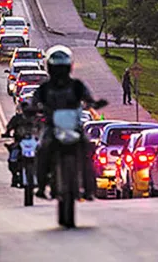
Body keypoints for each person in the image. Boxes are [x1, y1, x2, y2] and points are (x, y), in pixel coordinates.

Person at [32, 46, 105, 201]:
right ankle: (41, 185)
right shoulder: (45, 87)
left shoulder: (77, 86)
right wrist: (32, 109)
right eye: (56, 68)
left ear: (69, 67)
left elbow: (88, 99)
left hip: (73, 127)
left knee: (87, 149)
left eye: (62, 68)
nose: (60, 72)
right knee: (42, 149)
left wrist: (95, 104)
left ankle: (89, 187)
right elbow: (35, 101)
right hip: (53, 127)